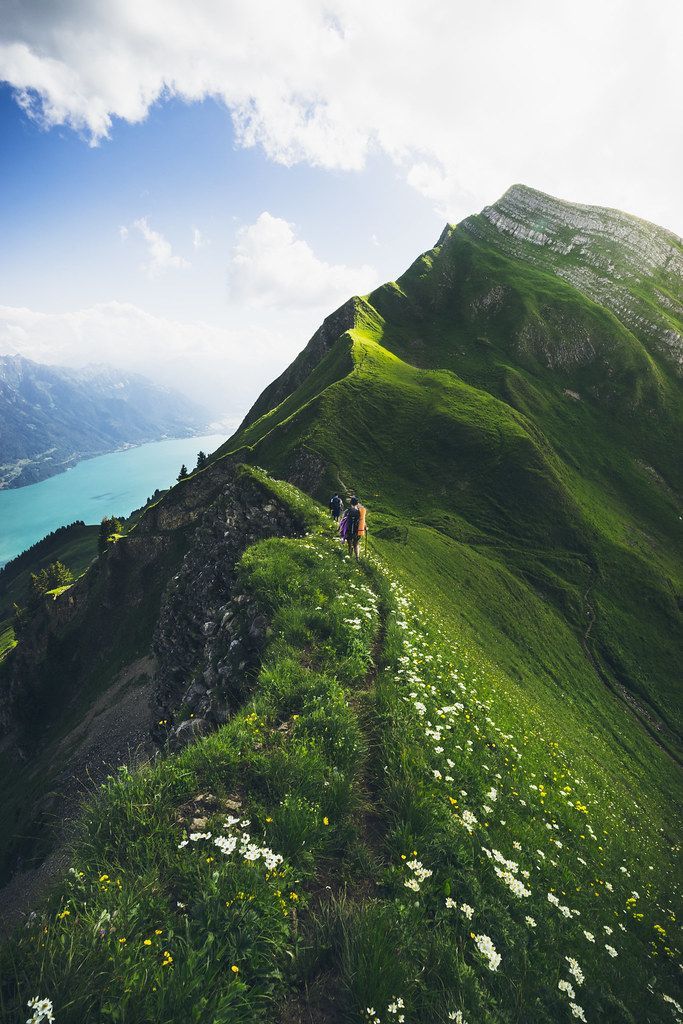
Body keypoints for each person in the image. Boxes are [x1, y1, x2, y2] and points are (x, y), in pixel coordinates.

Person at [346, 496, 367, 560]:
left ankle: (349, 555)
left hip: (349, 529)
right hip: (357, 530)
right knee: (356, 543)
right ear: (357, 503)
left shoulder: (348, 510)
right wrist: (365, 527)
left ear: (351, 503)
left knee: (349, 543)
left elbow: (344, 520)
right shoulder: (360, 512)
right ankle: (357, 557)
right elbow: (362, 520)